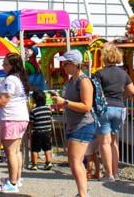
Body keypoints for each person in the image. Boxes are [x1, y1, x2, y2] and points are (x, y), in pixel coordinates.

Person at [51, 49, 95, 197]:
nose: (63, 66)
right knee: (75, 160)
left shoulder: (84, 81)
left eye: (66, 63)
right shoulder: (72, 81)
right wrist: (60, 101)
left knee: (75, 160)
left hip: (83, 124)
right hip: (74, 124)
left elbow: (87, 106)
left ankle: (83, 194)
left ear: (75, 64)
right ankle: (83, 192)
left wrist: (66, 102)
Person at [0, 52, 30, 193]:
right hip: (21, 117)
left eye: (5, 63)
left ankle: (12, 182)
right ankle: (16, 178)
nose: (3, 66)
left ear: (12, 65)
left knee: (10, 152)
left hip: (11, 118)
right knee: (16, 151)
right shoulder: (18, 78)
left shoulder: (10, 79)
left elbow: (3, 101)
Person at [93, 43, 134, 182]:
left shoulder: (99, 74)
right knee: (114, 141)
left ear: (104, 57)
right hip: (119, 108)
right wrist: (122, 96)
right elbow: (132, 91)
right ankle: (116, 172)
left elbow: (95, 92)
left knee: (104, 142)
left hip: (104, 108)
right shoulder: (123, 73)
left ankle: (108, 174)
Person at [28, 90, 53, 171]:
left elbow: (31, 123)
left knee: (35, 149)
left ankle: (34, 164)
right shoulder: (48, 109)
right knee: (47, 148)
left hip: (37, 132)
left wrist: (30, 131)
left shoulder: (33, 111)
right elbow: (50, 119)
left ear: (34, 99)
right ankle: (48, 162)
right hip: (47, 132)